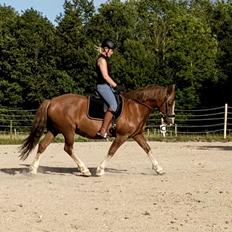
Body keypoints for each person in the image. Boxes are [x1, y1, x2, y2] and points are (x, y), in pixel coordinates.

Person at [95, 39, 118, 139]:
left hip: (107, 86)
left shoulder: (105, 59)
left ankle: (114, 125)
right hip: (103, 86)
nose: (112, 53)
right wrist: (116, 86)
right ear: (106, 49)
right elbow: (105, 76)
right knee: (113, 105)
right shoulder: (102, 60)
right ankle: (102, 130)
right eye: (111, 51)